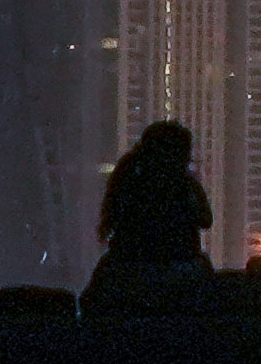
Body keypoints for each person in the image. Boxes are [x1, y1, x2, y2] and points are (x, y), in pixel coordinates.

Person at [80, 117, 231, 317]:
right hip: (179, 274)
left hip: (128, 273)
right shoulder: (182, 187)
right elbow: (205, 219)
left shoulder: (129, 183)